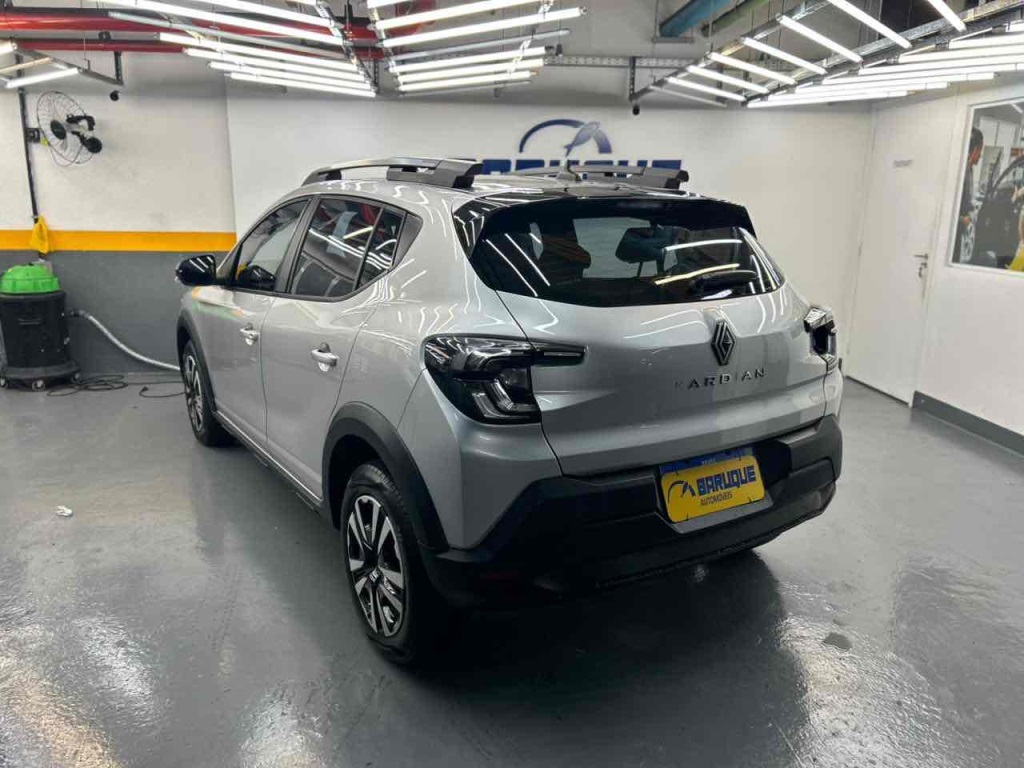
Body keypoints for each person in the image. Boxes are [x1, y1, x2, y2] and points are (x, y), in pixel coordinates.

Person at [955, 127, 985, 263]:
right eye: (980, 150)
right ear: (975, 149)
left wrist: (973, 209)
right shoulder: (959, 170)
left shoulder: (970, 169)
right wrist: (962, 219)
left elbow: (965, 200)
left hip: (961, 231)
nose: (981, 155)